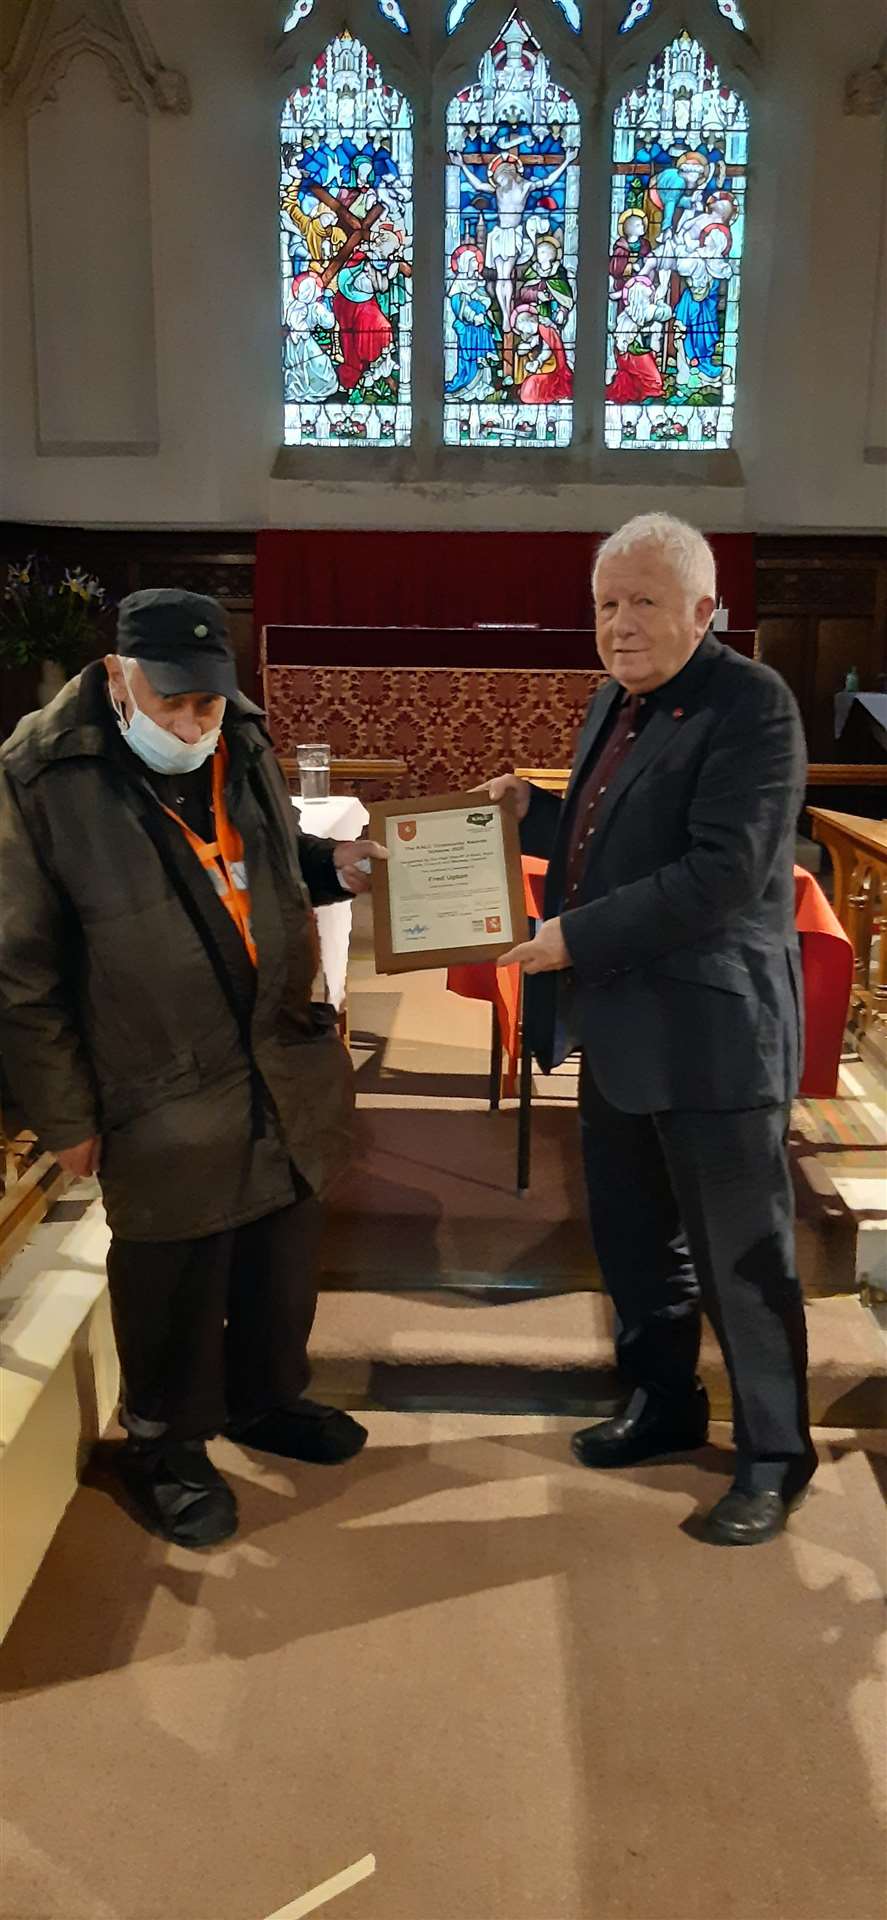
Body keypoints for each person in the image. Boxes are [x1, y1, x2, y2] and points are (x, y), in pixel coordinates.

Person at [0, 590, 387, 1549]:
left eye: (207, 703)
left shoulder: (238, 735)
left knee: (279, 1246)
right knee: (172, 1262)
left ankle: (264, 1400)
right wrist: (64, 1116)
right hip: (151, 1062)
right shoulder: (40, 774)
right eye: (172, 702)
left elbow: (268, 853)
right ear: (117, 676)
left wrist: (335, 867)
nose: (192, 723)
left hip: (273, 1043)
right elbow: (21, 965)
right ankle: (164, 1447)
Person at [483, 515, 817, 1547]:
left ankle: (772, 1453)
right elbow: (609, 836)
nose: (618, 626)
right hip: (621, 1024)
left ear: (702, 609)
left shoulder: (750, 704)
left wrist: (567, 939)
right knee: (634, 1238)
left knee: (739, 1257)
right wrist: (526, 810)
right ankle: (661, 1400)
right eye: (605, 605)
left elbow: (719, 873)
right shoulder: (612, 700)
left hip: (711, 1032)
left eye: (641, 603)